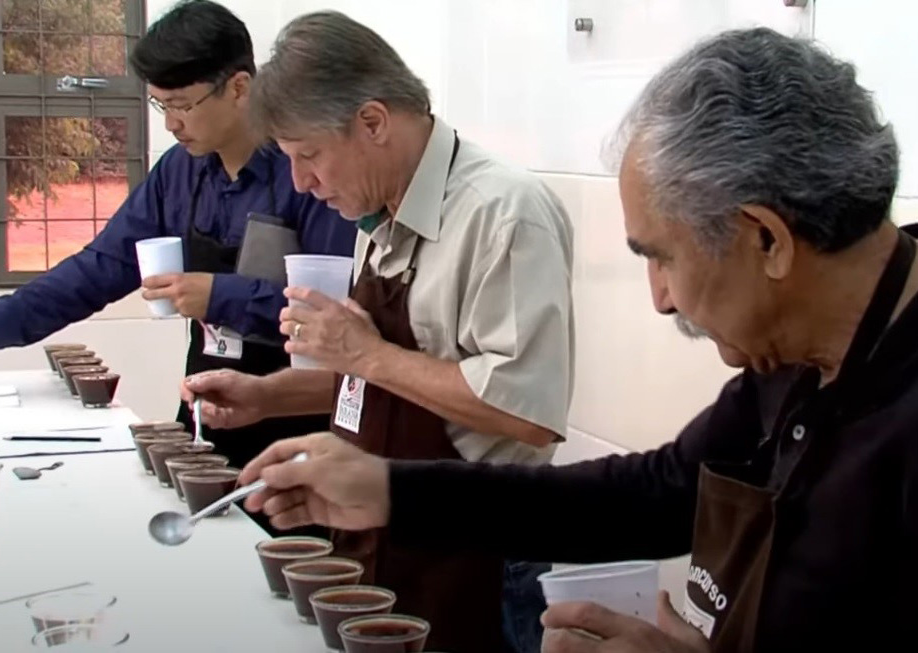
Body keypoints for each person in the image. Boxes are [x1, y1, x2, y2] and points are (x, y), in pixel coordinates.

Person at [234, 28, 918, 653]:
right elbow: (649, 493)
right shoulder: (790, 368)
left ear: (765, 238)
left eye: (662, 258)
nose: (658, 299)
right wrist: (385, 488)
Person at [182, 11, 574, 653]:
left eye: (309, 157)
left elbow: (526, 410)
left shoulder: (501, 212)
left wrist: (367, 351)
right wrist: (266, 397)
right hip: (387, 527)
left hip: (480, 552)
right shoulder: (381, 213)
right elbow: (384, 383)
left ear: (372, 122)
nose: (304, 184)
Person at [0, 1, 355, 493]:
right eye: (162, 105)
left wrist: (221, 296)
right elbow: (102, 265)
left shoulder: (305, 173)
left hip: (299, 418)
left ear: (240, 87)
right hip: (207, 404)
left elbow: (332, 310)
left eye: (182, 104)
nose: (171, 124)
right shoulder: (179, 172)